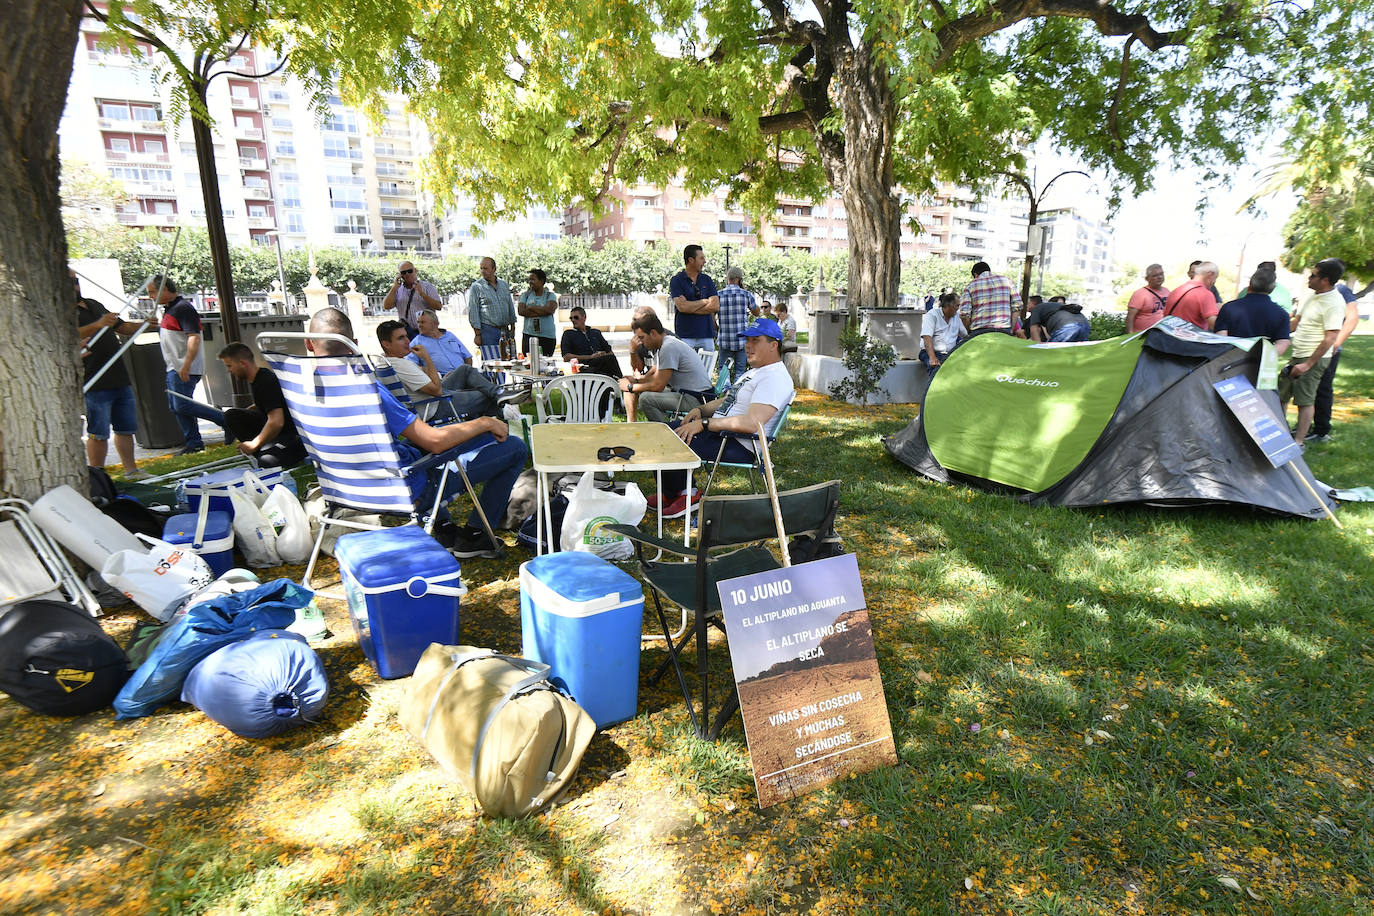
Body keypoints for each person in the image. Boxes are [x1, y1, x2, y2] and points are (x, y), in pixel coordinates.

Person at [308, 308, 526, 559]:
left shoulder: (298, 390)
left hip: (346, 488)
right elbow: (434, 442)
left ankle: (444, 529)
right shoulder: (364, 388)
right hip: (404, 489)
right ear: (353, 344)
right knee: (513, 447)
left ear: (308, 344)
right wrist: (486, 422)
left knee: (422, 449)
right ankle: (476, 536)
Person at [651, 318, 795, 519]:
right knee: (661, 432)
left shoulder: (775, 378)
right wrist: (701, 410)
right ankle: (671, 494)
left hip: (738, 444)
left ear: (773, 345)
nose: (748, 345)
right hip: (721, 434)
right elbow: (727, 400)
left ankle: (688, 496)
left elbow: (751, 423)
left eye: (755, 340)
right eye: (747, 340)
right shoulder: (755, 372)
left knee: (671, 440)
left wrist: (705, 424)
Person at [74, 271, 148, 478]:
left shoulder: (94, 305)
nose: (75, 287)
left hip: (118, 378)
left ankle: (131, 470)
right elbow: (69, 333)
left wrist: (146, 324)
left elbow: (122, 327)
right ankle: (98, 475)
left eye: (75, 282)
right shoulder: (62, 312)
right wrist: (97, 324)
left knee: (125, 428)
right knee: (98, 433)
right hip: (93, 380)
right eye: (70, 283)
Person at [150, 275, 227, 454]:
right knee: (176, 407)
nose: (151, 296)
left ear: (165, 289)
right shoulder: (169, 309)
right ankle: (194, 442)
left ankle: (225, 420)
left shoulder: (183, 308)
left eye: (153, 292)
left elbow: (194, 337)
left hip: (184, 367)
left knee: (182, 405)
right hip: (174, 366)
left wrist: (186, 365)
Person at [1279, 259, 1347, 446]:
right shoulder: (1313, 296)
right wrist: (1275, 334)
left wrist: (1307, 364)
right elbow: (1296, 322)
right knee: (1282, 393)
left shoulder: (1334, 303)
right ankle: (1281, 435)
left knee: (1304, 400)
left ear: (1325, 280)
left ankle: (1299, 442)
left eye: (1314, 275)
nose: (1309, 278)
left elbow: (1331, 338)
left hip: (1312, 358)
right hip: (1298, 354)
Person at [377, 320, 500, 420]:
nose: (407, 341)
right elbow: (437, 391)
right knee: (487, 396)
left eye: (406, 336)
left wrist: (437, 375)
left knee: (464, 370)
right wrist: (427, 358)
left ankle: (500, 393)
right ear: (386, 344)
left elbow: (421, 379)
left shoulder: (383, 362)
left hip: (428, 399)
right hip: (433, 406)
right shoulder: (401, 365)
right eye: (400, 338)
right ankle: (502, 416)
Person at [215, 343, 306, 469]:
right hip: (276, 429)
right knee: (232, 415)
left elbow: (276, 422)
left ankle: (266, 451)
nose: (228, 370)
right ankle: (262, 450)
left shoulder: (265, 381)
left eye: (230, 366)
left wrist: (254, 444)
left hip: (292, 434)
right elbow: (267, 403)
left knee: (267, 461)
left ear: (242, 363)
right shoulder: (258, 378)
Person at [618, 312, 714, 423]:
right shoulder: (667, 343)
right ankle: (635, 424)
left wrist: (630, 387)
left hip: (697, 400)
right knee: (645, 393)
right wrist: (637, 380)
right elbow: (656, 375)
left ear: (653, 333)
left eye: (642, 337)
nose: (641, 343)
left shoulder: (668, 347)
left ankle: (667, 432)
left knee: (646, 399)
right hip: (692, 395)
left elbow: (658, 385)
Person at [1308, 274, 1361, 443]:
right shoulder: (1316, 294)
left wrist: (1335, 344)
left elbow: (1352, 318)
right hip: (1311, 349)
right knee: (1309, 389)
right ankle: (1306, 426)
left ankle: (1321, 431)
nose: (1311, 276)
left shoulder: (1341, 291)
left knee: (1322, 389)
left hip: (1328, 350)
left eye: (1316, 273)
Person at [1214, 268, 1292, 356]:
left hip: (1230, 362)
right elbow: (1283, 343)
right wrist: (1263, 358)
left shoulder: (1229, 308)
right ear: (1272, 288)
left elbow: (1221, 338)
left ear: (1250, 283)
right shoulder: (1281, 314)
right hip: (1259, 365)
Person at [668, 244, 719, 350]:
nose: (704, 261)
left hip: (706, 334)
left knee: (707, 366)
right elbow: (682, 307)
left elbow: (715, 306)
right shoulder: (677, 280)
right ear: (691, 260)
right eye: (701, 258)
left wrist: (689, 306)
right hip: (685, 335)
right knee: (686, 366)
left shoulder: (707, 280)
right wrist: (705, 301)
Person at [467, 256, 517, 361]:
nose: (483, 271)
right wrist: (477, 334)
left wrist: (512, 327)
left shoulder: (503, 285)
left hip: (505, 330)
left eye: (486, 268)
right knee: (491, 364)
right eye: (481, 268)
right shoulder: (477, 287)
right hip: (487, 330)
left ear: (494, 269)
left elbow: (510, 306)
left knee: (507, 361)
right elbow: (473, 311)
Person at [382, 260, 441, 339]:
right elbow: (386, 306)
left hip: (426, 332)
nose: (407, 274)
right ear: (399, 275)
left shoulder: (427, 286)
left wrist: (422, 294)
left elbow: (438, 306)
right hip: (407, 333)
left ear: (415, 271)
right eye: (403, 272)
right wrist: (394, 287)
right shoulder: (397, 290)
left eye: (410, 271)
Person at [716, 266, 756, 382]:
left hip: (725, 339)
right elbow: (756, 312)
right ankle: (736, 395)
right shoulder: (746, 294)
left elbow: (711, 315)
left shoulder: (718, 295)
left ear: (727, 278)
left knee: (723, 370)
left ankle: (725, 391)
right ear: (739, 279)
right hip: (741, 340)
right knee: (740, 370)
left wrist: (717, 328)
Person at [958, 261, 1020, 336]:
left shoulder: (970, 286)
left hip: (979, 331)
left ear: (975, 274)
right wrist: (1011, 329)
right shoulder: (1007, 281)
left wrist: (968, 331)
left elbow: (964, 314)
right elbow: (1017, 306)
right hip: (1004, 330)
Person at [559, 306, 623, 378]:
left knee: (610, 358)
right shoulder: (568, 334)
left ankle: (619, 381)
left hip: (601, 363)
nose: (573, 320)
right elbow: (566, 357)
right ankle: (621, 381)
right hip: (583, 366)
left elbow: (609, 352)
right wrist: (590, 357)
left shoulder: (595, 332)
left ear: (584, 317)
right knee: (608, 362)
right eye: (571, 318)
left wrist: (602, 354)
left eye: (576, 317)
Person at [411, 309, 474, 374]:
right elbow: (410, 365)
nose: (419, 325)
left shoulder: (449, 336)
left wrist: (468, 374)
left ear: (435, 324)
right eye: (418, 322)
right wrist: (427, 370)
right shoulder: (417, 342)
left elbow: (467, 357)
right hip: (442, 378)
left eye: (423, 322)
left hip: (463, 374)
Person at [919, 292, 966, 379]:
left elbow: (965, 336)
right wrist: (932, 357)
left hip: (949, 354)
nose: (958, 308)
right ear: (948, 306)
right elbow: (926, 336)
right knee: (937, 372)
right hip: (930, 352)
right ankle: (933, 391)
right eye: (956, 306)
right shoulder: (932, 315)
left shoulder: (956, 317)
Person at [1163, 261, 1220, 330]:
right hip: (1190, 338)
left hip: (1170, 336)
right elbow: (1214, 325)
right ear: (1210, 274)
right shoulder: (1205, 294)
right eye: (1215, 278)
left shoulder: (1176, 291)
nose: (1214, 282)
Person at [517, 269, 558, 358]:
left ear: (541, 281)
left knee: (545, 362)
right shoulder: (525, 295)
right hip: (529, 335)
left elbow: (550, 310)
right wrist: (542, 311)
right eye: (529, 280)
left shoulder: (550, 295)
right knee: (529, 362)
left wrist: (531, 308)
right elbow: (521, 311)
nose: (530, 282)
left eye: (533, 279)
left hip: (547, 337)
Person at [1125, 264, 1170, 333]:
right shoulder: (1140, 294)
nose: (1159, 277)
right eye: (1155, 275)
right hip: (1143, 336)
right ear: (1147, 278)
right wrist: (1130, 334)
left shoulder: (1167, 291)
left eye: (1161, 274)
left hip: (1163, 334)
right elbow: (1130, 317)